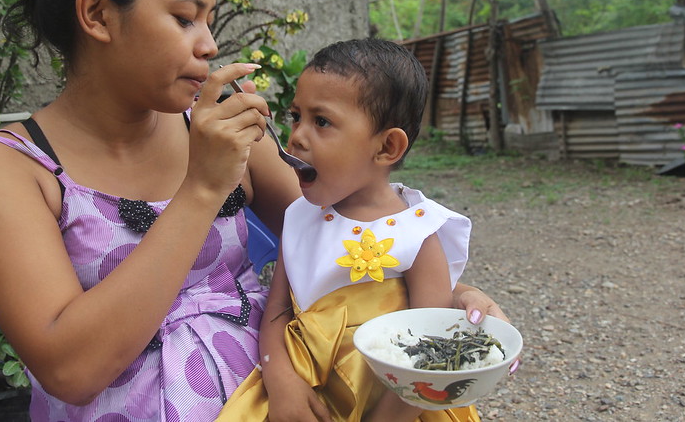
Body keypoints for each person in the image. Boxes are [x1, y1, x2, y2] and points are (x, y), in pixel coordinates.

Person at [0, 0, 510, 422]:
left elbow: (340, 238)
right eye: (184, 18)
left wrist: (445, 297)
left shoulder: (218, 123)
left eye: (208, 21)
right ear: (98, 13)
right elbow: (70, 370)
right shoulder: (10, 165)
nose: (208, 46)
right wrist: (202, 188)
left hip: (281, 392)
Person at [218, 39, 510, 422]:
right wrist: (281, 379)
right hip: (309, 393)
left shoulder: (418, 233)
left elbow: (430, 354)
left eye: (321, 121)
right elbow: (278, 311)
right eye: (296, 116)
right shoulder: (299, 217)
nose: (297, 136)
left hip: (396, 403)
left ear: (387, 147)